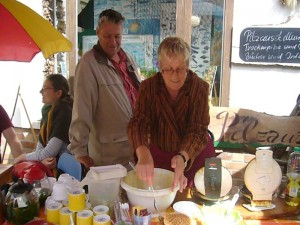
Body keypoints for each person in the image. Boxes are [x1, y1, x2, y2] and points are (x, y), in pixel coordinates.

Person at [128, 37, 216, 193]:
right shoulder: (148, 87)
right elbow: (138, 123)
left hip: (193, 154)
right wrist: (143, 153)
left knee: (196, 200)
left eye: (180, 69)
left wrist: (183, 157)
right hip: (160, 154)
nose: (175, 76)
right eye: (168, 69)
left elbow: (197, 129)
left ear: (187, 66)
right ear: (160, 66)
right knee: (162, 196)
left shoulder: (199, 88)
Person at [68, 9, 141, 169]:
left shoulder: (126, 58)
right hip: (109, 154)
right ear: (98, 33)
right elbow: (82, 108)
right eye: (108, 36)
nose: (113, 42)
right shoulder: (88, 64)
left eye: (117, 36)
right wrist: (79, 150)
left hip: (135, 148)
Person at [13, 74, 73, 169]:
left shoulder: (65, 112)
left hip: (66, 172)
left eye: (45, 88)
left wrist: (23, 157)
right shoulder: (48, 112)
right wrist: (41, 160)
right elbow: (41, 151)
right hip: (54, 166)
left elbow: (49, 153)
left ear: (58, 93)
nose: (41, 92)